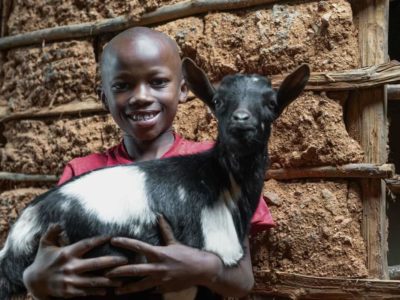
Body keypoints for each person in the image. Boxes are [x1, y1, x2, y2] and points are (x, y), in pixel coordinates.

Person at [22, 27, 274, 299]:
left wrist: (203, 268)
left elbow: (242, 280)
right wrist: (36, 281)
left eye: (157, 82)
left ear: (183, 90)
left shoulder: (221, 170)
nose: (141, 96)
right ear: (104, 98)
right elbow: (51, 262)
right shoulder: (82, 175)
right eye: (122, 85)